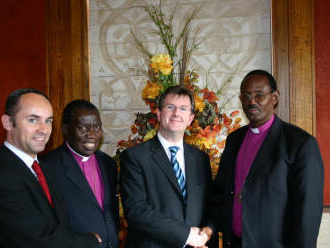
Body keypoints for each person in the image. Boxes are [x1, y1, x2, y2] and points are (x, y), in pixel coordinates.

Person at [211, 70, 324, 247]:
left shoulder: (300, 143)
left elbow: (307, 212)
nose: (252, 102)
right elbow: (221, 191)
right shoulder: (234, 139)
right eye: (246, 96)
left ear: (275, 97)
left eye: (259, 95)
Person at [0, 89, 100, 247]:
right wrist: (91, 241)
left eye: (48, 121)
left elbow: (58, 225)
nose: (43, 129)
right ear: (7, 122)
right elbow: (37, 241)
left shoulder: (43, 168)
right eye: (32, 120)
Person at [120, 86, 213, 248]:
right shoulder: (135, 157)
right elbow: (137, 211)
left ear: (190, 118)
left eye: (183, 109)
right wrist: (186, 235)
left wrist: (209, 230)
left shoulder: (200, 159)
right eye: (170, 107)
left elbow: (209, 203)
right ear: (158, 113)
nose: (177, 113)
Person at [41, 99, 119, 248]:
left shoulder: (109, 164)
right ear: (65, 129)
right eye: (82, 128)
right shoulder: (48, 167)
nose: (91, 134)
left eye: (96, 127)